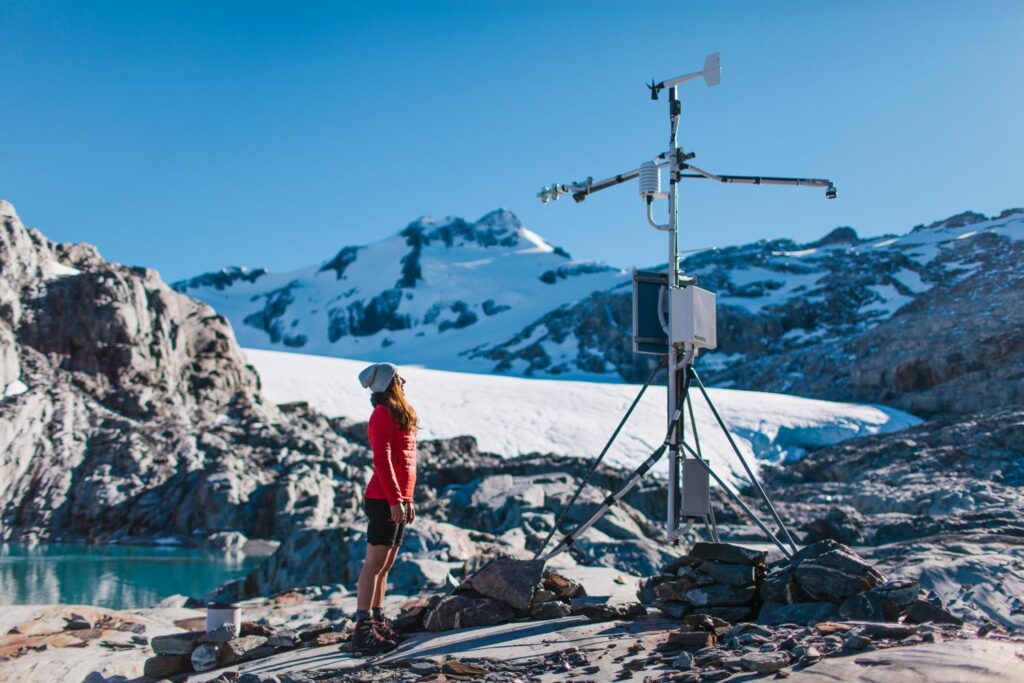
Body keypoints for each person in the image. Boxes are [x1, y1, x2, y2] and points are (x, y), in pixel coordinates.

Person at [351, 362, 418, 654]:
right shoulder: (381, 415)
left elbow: (406, 463)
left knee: (386, 565)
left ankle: (377, 619)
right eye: (398, 378)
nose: (403, 382)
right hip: (382, 499)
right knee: (374, 564)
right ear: (389, 382)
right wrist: (394, 500)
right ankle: (362, 628)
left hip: (396, 498)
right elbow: (383, 461)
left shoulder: (397, 414)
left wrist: (407, 499)